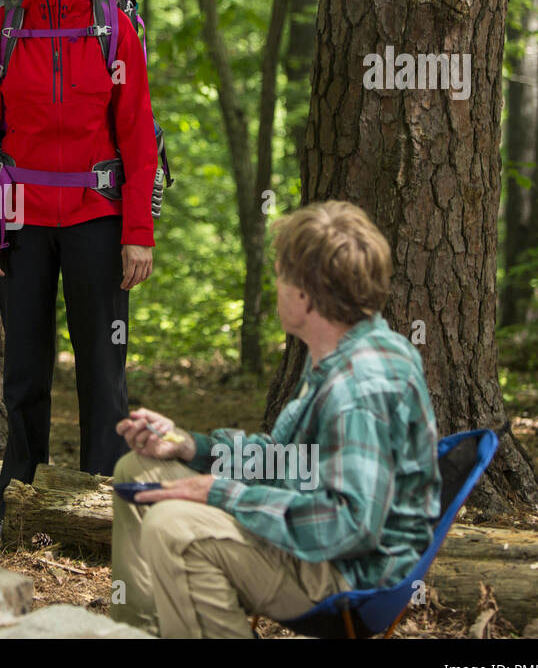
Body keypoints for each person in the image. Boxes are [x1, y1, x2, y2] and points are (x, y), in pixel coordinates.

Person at [110, 201, 441, 638]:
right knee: (138, 469)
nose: (277, 286)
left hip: (349, 572)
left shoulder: (358, 389)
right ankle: (142, 631)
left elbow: (351, 526)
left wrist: (223, 494)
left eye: (282, 276)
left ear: (305, 295)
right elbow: (293, 461)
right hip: (317, 540)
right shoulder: (337, 351)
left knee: (174, 527)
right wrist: (192, 447)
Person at [0, 0, 159, 532]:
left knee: (104, 367)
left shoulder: (111, 23)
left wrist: (138, 233)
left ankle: (105, 504)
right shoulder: (0, 29)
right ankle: (19, 497)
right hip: (20, 217)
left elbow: (136, 137)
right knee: (23, 366)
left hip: (97, 215)